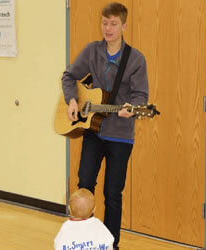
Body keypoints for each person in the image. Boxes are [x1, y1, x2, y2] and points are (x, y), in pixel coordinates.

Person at [62, 3, 148, 248]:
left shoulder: (136, 59)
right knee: (84, 187)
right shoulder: (92, 51)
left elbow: (141, 96)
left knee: (112, 194)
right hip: (93, 131)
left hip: (121, 137)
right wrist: (72, 100)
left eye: (113, 24)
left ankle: (110, 245)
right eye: (104, 23)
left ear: (124, 26)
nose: (107, 28)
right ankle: (81, 242)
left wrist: (131, 109)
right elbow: (69, 76)